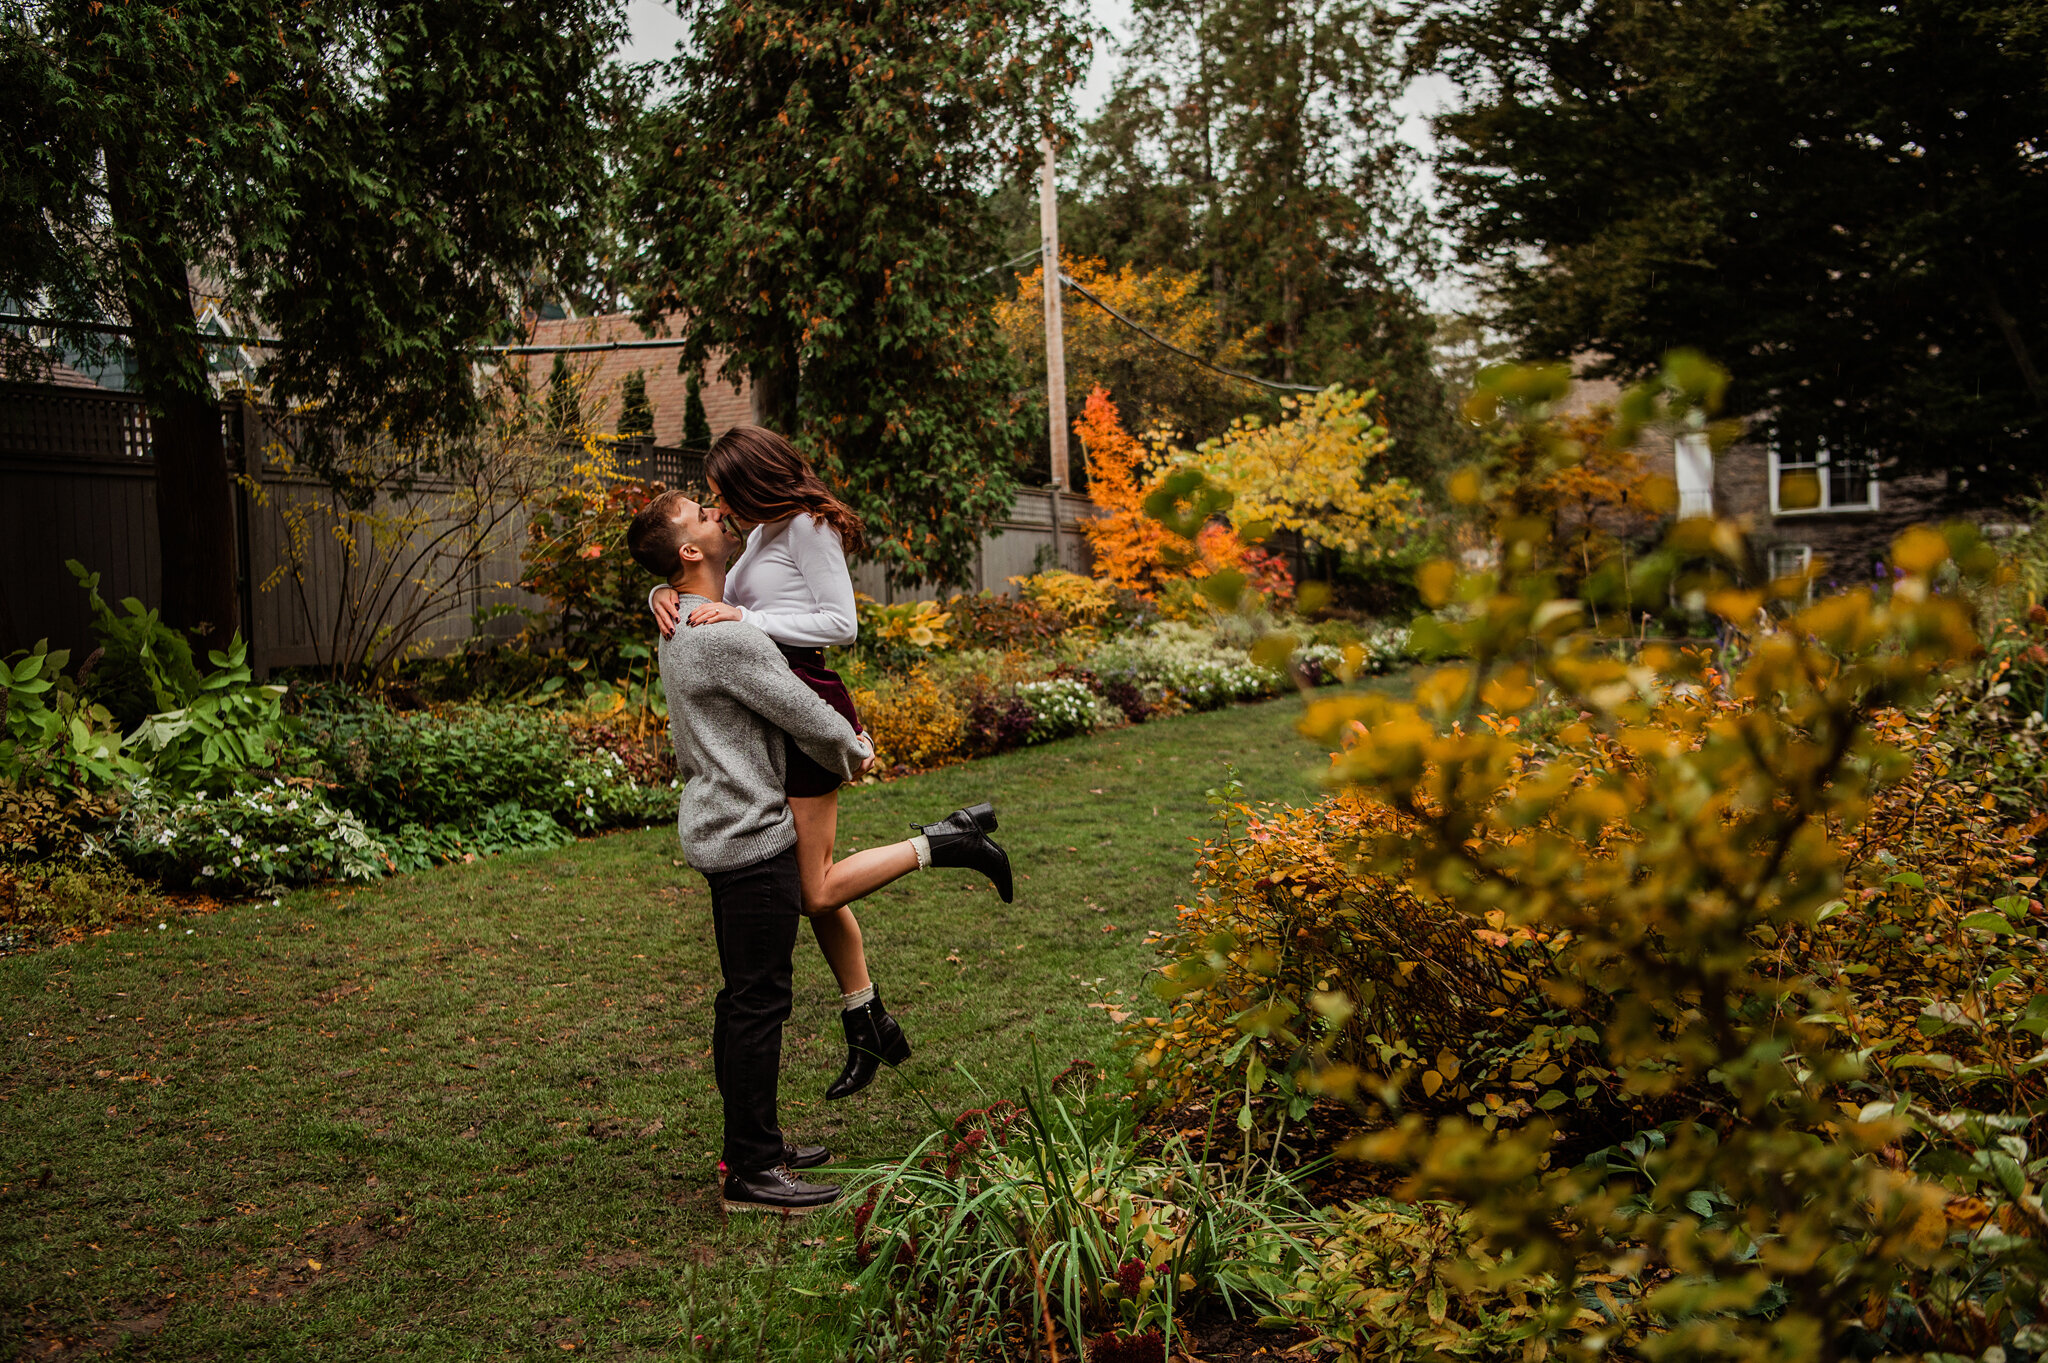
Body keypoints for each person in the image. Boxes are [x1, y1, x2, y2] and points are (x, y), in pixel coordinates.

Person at [648, 424, 1011, 1101]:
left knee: (813, 889)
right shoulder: (761, 531)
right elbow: (716, 589)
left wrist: (745, 623)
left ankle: (945, 841)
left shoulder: (809, 528)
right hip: (769, 700)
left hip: (804, 698)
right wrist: (663, 594)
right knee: (811, 884)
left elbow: (839, 623)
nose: (718, 506)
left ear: (755, 481)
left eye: (722, 493)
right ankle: (866, 1016)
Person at [626, 489, 865, 1213]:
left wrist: (657, 590)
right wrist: (854, 746)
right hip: (752, 835)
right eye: (700, 514)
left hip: (719, 827)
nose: (716, 513)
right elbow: (801, 709)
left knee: (742, 1000)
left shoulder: (681, 620)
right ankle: (755, 1171)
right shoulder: (722, 635)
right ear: (690, 552)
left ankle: (751, 1141)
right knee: (760, 1003)